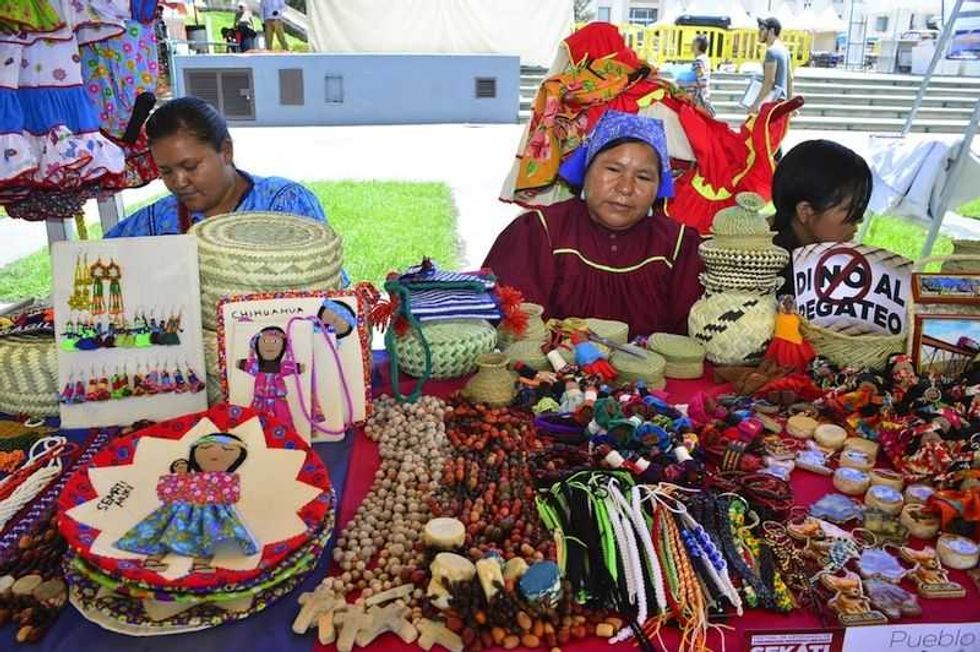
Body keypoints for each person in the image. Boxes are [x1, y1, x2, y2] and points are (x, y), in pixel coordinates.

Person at [483, 111, 703, 338]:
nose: (625, 188)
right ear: (586, 170)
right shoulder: (538, 233)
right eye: (613, 169)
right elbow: (506, 330)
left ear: (659, 187)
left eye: (644, 177)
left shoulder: (679, 246)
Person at [105, 97, 328, 238]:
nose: (179, 181)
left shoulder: (284, 203)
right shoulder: (158, 221)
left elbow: (332, 290)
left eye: (190, 166)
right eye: (166, 172)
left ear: (226, 151)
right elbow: (97, 260)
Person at [771, 140, 873, 295]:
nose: (859, 219)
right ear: (805, 211)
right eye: (848, 209)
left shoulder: (841, 265)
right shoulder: (761, 272)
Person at [749, 17, 793, 115]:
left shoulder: (771, 52)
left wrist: (756, 104)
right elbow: (789, 79)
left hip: (771, 105)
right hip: (781, 104)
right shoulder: (784, 50)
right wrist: (791, 105)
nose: (759, 32)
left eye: (762, 29)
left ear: (771, 31)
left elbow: (769, 82)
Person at [690, 34, 715, 116]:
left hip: (700, 100)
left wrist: (686, 83)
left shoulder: (698, 61)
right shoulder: (706, 59)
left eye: (693, 43)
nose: (691, 45)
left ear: (697, 44)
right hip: (705, 96)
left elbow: (701, 80)